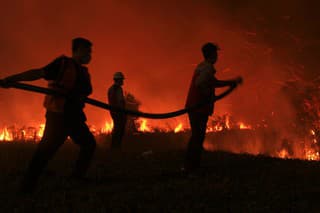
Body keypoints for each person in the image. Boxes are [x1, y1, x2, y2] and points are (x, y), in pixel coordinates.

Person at [1, 37, 96, 192]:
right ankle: (27, 185)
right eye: (87, 51)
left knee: (89, 144)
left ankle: (77, 176)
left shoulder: (83, 72)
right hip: (58, 116)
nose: (89, 55)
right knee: (45, 150)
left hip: (75, 117)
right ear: (77, 50)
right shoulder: (63, 64)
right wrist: (12, 80)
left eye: (90, 52)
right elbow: (38, 73)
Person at [183, 42, 242, 174]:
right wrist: (206, 96)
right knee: (198, 136)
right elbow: (200, 83)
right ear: (212, 54)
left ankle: (191, 164)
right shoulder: (207, 68)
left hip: (195, 107)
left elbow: (213, 82)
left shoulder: (203, 67)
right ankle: (192, 166)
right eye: (216, 53)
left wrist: (231, 82)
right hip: (198, 107)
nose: (217, 57)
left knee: (197, 136)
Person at [108, 71, 127, 149]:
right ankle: (116, 147)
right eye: (122, 79)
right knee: (119, 129)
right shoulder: (118, 89)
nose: (122, 81)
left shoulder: (111, 89)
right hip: (119, 112)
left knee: (117, 128)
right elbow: (120, 102)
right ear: (118, 80)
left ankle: (114, 146)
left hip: (113, 111)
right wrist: (123, 112)